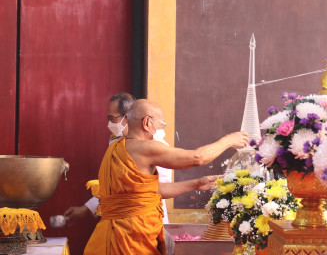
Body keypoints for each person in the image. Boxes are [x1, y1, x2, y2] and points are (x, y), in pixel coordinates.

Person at [84, 99, 249, 255]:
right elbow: (197, 158)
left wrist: (196, 183)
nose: (161, 130)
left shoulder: (114, 149)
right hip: (131, 236)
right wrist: (228, 140)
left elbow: (152, 191)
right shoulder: (144, 148)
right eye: (161, 124)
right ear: (147, 123)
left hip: (109, 234)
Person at [64, 93, 173, 224]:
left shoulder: (155, 144)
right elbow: (113, 184)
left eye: (112, 118)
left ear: (128, 117)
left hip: (147, 219)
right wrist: (87, 208)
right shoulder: (116, 142)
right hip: (120, 219)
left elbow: (160, 188)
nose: (109, 124)